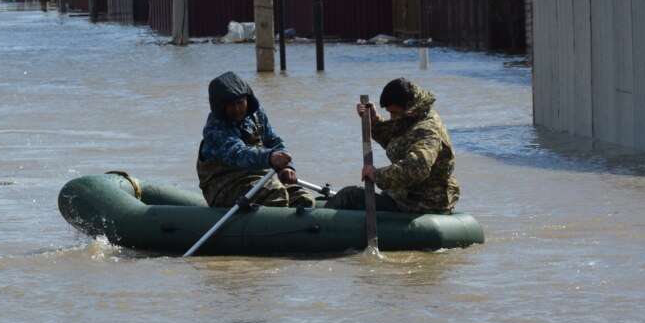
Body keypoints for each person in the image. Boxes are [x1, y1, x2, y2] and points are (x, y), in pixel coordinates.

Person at [325, 78, 460, 214]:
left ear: (408, 105)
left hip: (424, 202)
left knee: (349, 196)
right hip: (406, 195)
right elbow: (398, 144)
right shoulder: (414, 117)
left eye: (394, 113)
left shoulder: (426, 129)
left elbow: (418, 168)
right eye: (390, 113)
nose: (392, 117)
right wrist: (374, 121)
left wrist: (377, 174)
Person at [197, 71, 316, 209]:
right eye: (230, 105)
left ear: (247, 99)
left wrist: (286, 167)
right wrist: (270, 157)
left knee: (303, 198)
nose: (237, 109)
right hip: (225, 185)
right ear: (220, 106)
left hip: (260, 180)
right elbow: (237, 154)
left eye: (240, 102)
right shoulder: (215, 128)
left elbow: (273, 141)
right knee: (274, 193)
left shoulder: (256, 115)